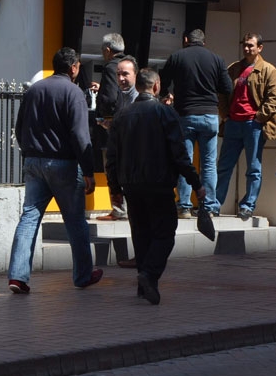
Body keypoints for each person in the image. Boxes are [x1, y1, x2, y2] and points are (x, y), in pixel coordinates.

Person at [8, 47, 104, 294]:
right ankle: (83, 274)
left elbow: (19, 128)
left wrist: (28, 153)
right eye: (78, 67)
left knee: (29, 218)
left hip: (34, 162)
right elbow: (80, 135)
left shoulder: (34, 90)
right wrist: (89, 170)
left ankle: (18, 277)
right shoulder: (73, 93)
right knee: (75, 221)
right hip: (63, 164)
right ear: (73, 68)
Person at [106, 68, 205, 305]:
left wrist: (115, 190)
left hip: (132, 186)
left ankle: (144, 285)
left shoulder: (121, 116)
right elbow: (180, 154)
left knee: (141, 235)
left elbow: (111, 157)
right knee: (164, 234)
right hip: (159, 184)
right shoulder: (165, 113)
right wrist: (195, 183)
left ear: (138, 86)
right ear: (157, 86)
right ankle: (149, 275)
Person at [159, 29, 232, 219]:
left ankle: (184, 206)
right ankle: (208, 206)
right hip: (210, 116)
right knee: (209, 164)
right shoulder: (216, 59)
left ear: (185, 40)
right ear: (204, 42)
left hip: (185, 115)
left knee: (186, 162)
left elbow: (161, 82)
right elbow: (227, 87)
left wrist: (168, 95)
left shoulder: (177, 57)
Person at [215, 33, 276, 220]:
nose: (247, 49)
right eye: (245, 45)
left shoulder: (269, 70)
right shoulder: (234, 69)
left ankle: (247, 205)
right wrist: (226, 115)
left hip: (253, 125)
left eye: (251, 46)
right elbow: (221, 93)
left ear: (260, 48)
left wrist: (259, 118)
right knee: (224, 166)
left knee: (253, 168)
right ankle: (214, 204)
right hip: (233, 123)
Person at [97, 54, 139, 224]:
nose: (120, 79)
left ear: (135, 74)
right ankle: (120, 210)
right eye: (118, 75)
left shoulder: (137, 98)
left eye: (125, 74)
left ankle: (124, 211)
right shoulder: (123, 95)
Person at [85, 33, 126, 173]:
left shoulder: (110, 67)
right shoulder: (130, 65)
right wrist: (102, 88)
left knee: (112, 170)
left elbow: (110, 98)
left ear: (108, 50)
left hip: (113, 127)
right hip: (129, 123)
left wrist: (104, 120)